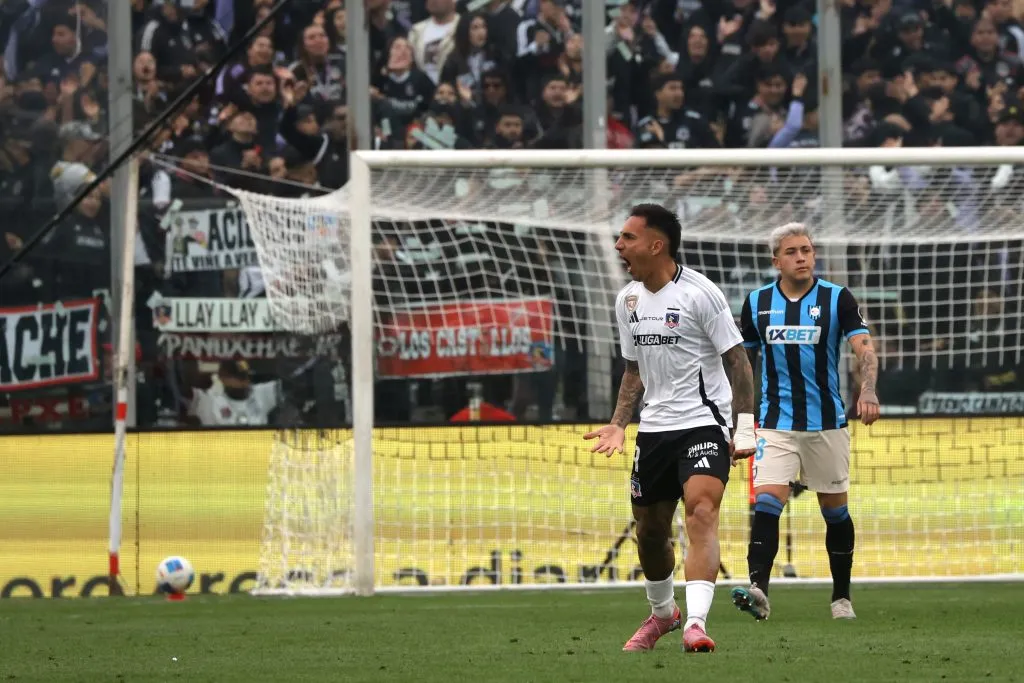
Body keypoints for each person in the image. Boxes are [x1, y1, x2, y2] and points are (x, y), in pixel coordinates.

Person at [583, 203, 756, 653]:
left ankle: (696, 623)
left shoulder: (701, 294)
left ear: (656, 245)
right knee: (651, 532)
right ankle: (664, 615)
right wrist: (620, 422)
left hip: (704, 422)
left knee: (701, 511)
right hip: (655, 428)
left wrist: (745, 426)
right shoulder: (628, 300)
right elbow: (633, 368)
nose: (619, 246)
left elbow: (737, 360)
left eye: (627, 237)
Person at [731, 222, 881, 622]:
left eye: (808, 250)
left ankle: (841, 597)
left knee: (834, 510)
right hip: (774, 423)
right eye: (793, 251)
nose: (802, 257)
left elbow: (864, 349)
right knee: (766, 502)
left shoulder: (837, 298)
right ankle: (758, 590)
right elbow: (743, 367)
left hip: (827, 424)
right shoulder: (757, 302)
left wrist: (867, 390)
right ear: (776, 260)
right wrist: (740, 423)